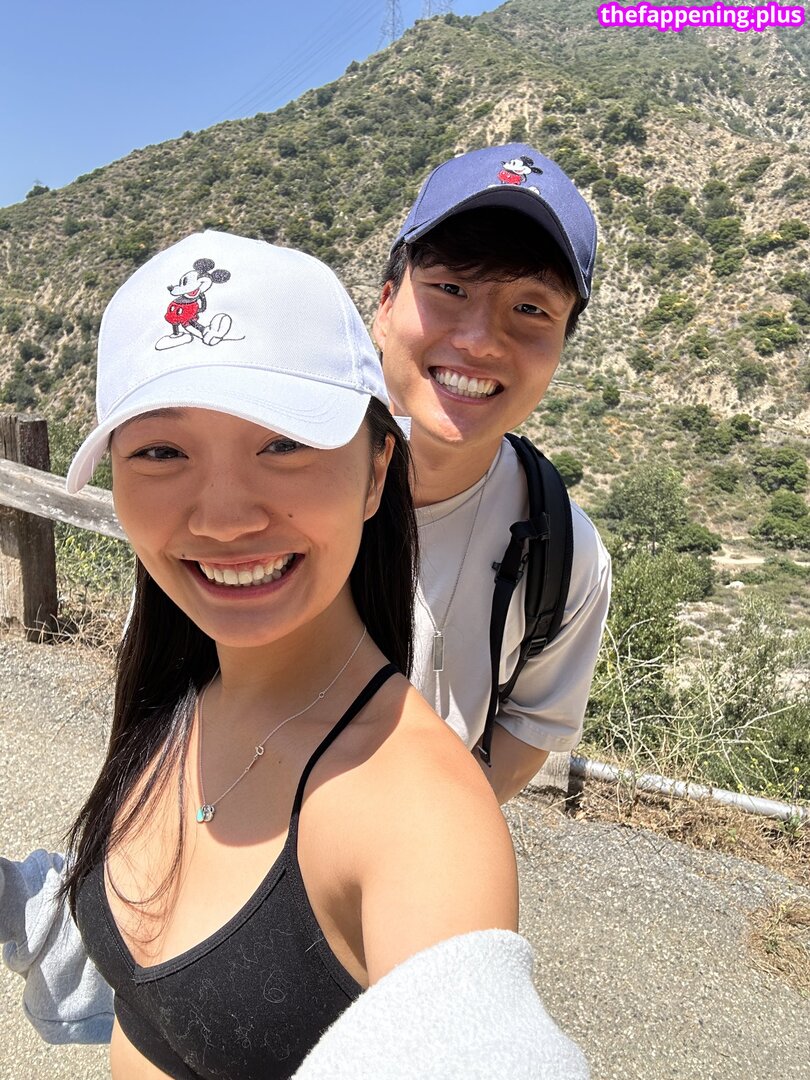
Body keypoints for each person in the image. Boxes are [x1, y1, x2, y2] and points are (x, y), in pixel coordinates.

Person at [3, 141, 608, 1057]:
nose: (225, 520)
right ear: (386, 301)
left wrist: (372, 835)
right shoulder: (195, 636)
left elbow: (472, 1026)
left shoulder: (559, 554)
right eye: (161, 452)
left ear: (374, 474)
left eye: (286, 444)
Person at [374, 142, 610, 803]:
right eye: (450, 288)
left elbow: (530, 728)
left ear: (561, 346)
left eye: (531, 309)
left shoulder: (566, 552)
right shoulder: (268, 473)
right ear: (385, 306)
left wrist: (415, 838)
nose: (479, 340)